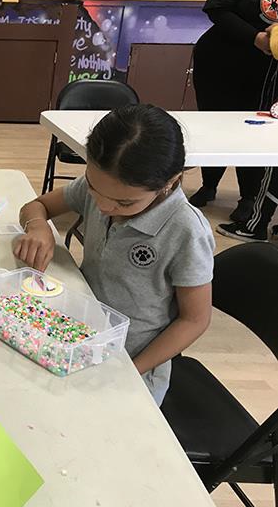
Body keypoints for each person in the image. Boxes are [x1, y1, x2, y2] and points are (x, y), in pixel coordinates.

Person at [14, 104, 214, 405]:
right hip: (77, 333)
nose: (105, 207)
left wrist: (131, 370)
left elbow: (195, 320)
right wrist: (38, 226)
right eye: (94, 190)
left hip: (130, 363)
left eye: (124, 204)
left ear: (169, 182)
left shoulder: (186, 231)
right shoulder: (106, 184)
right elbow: (35, 207)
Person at [189, 0, 278, 226]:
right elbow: (217, 7)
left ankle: (249, 197)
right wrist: (255, 38)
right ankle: (209, 184)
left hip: (265, 68)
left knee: (254, 130)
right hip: (221, 59)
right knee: (215, 121)